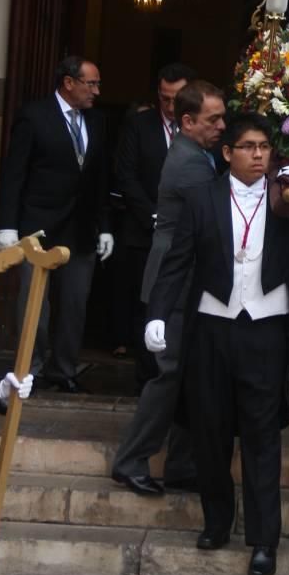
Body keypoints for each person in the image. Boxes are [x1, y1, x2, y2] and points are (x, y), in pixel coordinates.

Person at [145, 113, 289, 575]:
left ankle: (264, 540)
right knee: (210, 430)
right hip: (212, 324)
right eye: (248, 147)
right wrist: (156, 313)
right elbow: (177, 263)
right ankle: (216, 519)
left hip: (265, 330)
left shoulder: (284, 198)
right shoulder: (200, 198)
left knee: (261, 436)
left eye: (264, 147)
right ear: (227, 153)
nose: (258, 155)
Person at [111, 80, 225, 497]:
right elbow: (213, 214)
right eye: (213, 120)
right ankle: (130, 459)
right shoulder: (191, 164)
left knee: (188, 374)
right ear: (189, 121)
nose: (221, 126)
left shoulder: (196, 153)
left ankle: (181, 463)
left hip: (186, 280)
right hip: (176, 282)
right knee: (169, 375)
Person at [0, 55, 112, 391]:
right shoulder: (35, 116)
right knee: (35, 304)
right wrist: (7, 225)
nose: (97, 91)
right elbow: (14, 174)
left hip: (82, 228)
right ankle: (29, 369)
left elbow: (100, 178)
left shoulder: (98, 121)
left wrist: (105, 226)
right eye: (91, 83)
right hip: (39, 227)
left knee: (74, 304)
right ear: (68, 82)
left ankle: (64, 370)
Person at [112, 61, 196, 382]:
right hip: (143, 231)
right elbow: (126, 175)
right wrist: (152, 214)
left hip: (184, 236)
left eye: (178, 99)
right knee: (144, 306)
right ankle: (144, 381)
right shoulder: (139, 124)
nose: (171, 106)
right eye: (165, 99)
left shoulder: (202, 131)